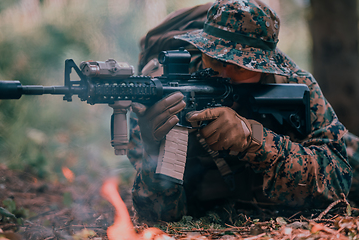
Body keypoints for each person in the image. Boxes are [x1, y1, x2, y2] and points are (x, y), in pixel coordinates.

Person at [127, 0, 353, 223]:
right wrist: (153, 149)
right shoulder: (164, 91)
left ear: (264, 66)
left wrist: (255, 142)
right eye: (214, 60)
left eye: (239, 66)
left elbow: (339, 179)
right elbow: (155, 215)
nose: (223, 75)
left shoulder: (294, 82)